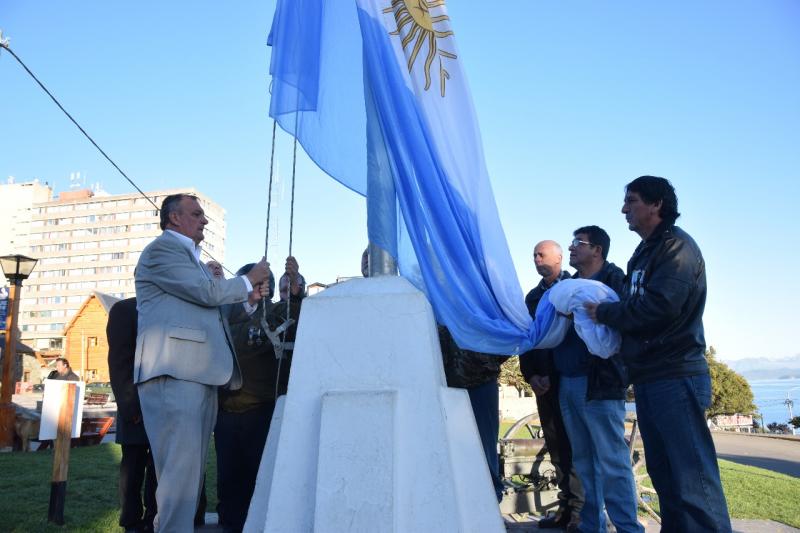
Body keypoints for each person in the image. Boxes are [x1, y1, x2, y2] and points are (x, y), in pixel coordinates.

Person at [585, 176, 732, 532]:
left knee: (692, 481)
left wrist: (602, 312)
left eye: (631, 201)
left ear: (656, 205)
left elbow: (659, 307)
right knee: (667, 479)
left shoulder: (677, 249)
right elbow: (634, 301)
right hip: (650, 376)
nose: (624, 209)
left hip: (676, 374)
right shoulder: (644, 252)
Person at [134, 193, 269, 532]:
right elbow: (207, 294)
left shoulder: (188, 259)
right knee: (179, 478)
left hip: (196, 377)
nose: (205, 220)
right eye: (197, 214)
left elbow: (212, 310)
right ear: (174, 218)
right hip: (174, 375)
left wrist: (247, 298)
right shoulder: (162, 250)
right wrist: (248, 279)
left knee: (188, 479)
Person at [553, 226, 641, 533]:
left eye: (579, 243)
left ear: (597, 250)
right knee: (584, 463)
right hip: (568, 383)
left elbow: (632, 322)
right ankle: (592, 527)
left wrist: (602, 312)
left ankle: (629, 528)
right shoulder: (567, 286)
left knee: (614, 463)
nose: (572, 248)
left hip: (602, 384)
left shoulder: (616, 281)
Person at [215, 257, 304, 533]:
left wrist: (299, 292)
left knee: (259, 477)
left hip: (260, 410)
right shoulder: (224, 313)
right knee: (228, 479)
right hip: (226, 411)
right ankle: (230, 525)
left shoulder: (275, 312)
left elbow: (296, 315)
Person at [519, 240, 583, 530]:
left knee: (576, 445)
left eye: (541, 253)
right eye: (534, 254)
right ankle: (565, 507)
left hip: (569, 378)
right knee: (556, 446)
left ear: (558, 258)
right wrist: (531, 376)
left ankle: (582, 510)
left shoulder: (574, 288)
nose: (536, 258)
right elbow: (526, 338)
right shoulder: (532, 297)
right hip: (543, 383)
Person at [438, 326, 507, 502]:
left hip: (480, 380)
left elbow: (503, 331)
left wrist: (487, 362)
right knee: (450, 450)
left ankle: (491, 505)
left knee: (485, 447)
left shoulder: (479, 300)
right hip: (445, 382)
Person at [107, 297, 157, 533]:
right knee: (133, 469)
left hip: (162, 407)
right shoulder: (124, 310)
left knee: (158, 468)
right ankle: (131, 521)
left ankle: (154, 517)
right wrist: (131, 407)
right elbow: (119, 363)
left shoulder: (164, 307)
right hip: (135, 405)